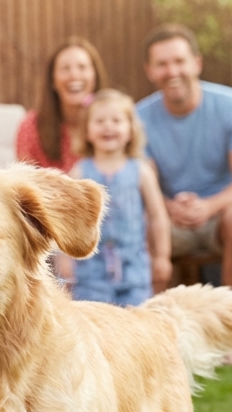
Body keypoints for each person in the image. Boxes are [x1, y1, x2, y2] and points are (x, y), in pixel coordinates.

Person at [136, 24, 232, 365]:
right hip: (171, 219)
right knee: (141, 224)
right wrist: (166, 208)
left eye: (179, 61)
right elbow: (139, 180)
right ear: (150, 71)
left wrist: (208, 206)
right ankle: (159, 344)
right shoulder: (139, 117)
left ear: (196, 62)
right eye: (162, 64)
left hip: (223, 213)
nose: (172, 71)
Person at [56, 89, 172, 306]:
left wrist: (162, 256)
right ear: (87, 131)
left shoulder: (141, 170)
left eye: (116, 120)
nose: (108, 126)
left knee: (135, 324)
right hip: (90, 276)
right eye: (100, 121)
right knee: (95, 325)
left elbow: (158, 217)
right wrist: (64, 259)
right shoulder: (80, 172)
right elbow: (67, 221)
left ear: (130, 130)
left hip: (134, 273)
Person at [16, 37, 108, 172]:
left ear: (95, 76)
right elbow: (25, 182)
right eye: (65, 69)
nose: (74, 75)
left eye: (82, 67)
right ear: (53, 80)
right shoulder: (32, 126)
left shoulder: (113, 123)